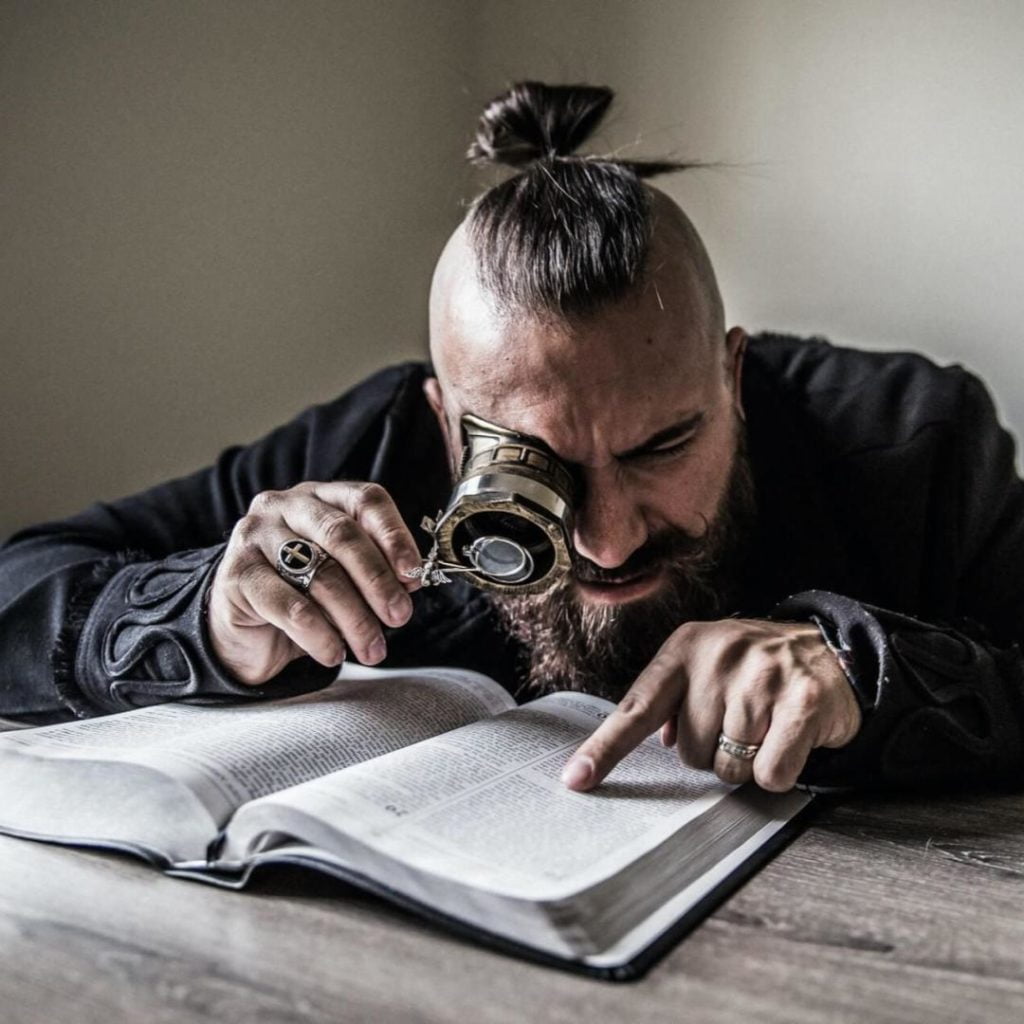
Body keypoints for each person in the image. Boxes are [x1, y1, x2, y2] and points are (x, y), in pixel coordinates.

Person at [2, 82, 1022, 795]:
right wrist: (209, 615)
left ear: (734, 377)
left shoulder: (912, 443)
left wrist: (866, 671)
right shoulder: (374, 450)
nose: (609, 540)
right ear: (444, 424)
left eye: (663, 444)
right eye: (528, 467)